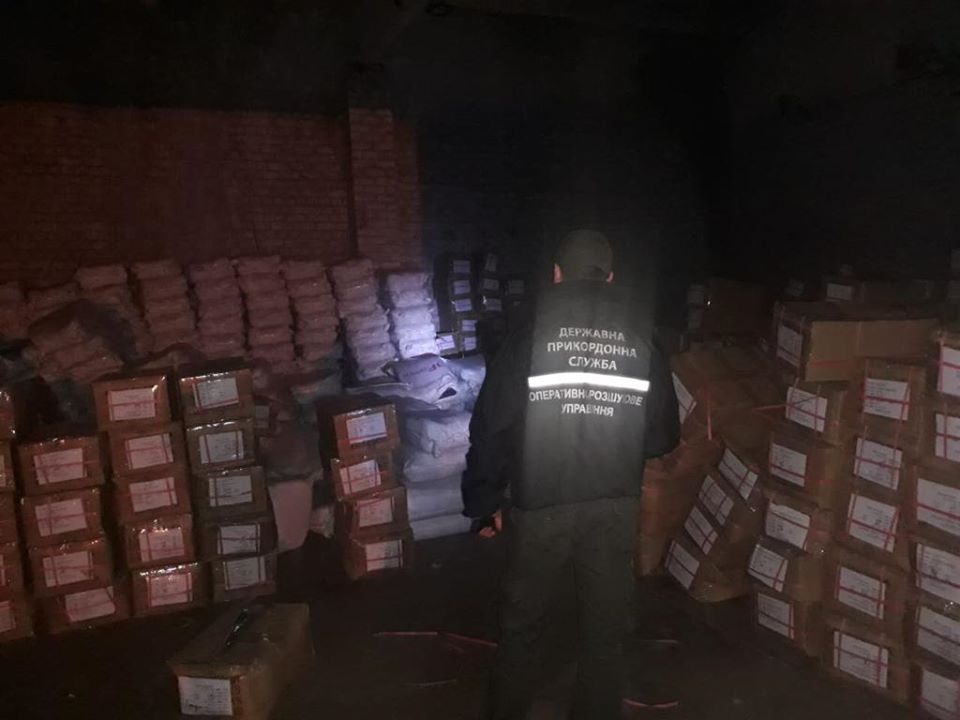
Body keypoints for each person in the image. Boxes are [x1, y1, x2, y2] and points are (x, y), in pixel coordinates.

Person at [461, 229, 681, 720]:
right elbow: (663, 435)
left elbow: (491, 425)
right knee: (606, 632)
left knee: (523, 627)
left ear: (556, 274)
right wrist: (619, 438)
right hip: (613, 506)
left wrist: (484, 502)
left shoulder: (531, 333)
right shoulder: (641, 338)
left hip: (540, 505)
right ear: (611, 277)